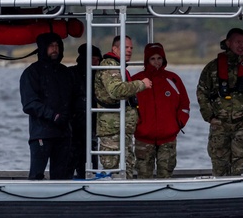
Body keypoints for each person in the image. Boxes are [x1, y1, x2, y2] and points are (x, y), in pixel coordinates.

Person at [196, 27, 243, 176]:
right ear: (228, 43)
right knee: (219, 169)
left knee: (242, 171)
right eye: (238, 42)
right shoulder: (212, 68)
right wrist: (211, 118)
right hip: (219, 126)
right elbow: (202, 93)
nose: (241, 45)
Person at [19, 32, 76, 180]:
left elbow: (73, 99)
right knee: (37, 175)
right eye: (51, 46)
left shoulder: (66, 73)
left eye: (57, 46)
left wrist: (68, 119)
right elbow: (29, 104)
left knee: (62, 176)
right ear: (43, 48)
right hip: (41, 134)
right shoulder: (31, 73)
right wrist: (53, 115)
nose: (55, 49)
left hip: (64, 134)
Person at [94, 35, 151, 178]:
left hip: (121, 129)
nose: (130, 50)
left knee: (127, 166)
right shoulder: (109, 65)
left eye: (131, 48)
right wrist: (141, 84)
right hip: (112, 130)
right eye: (126, 47)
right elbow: (116, 91)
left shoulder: (119, 67)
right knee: (114, 170)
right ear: (115, 49)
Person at [132, 43, 191, 178]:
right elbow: (128, 106)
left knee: (165, 176)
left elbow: (185, 104)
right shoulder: (137, 80)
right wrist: (137, 125)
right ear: (147, 60)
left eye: (159, 58)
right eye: (152, 59)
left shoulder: (173, 79)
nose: (156, 62)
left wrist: (178, 123)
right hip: (143, 138)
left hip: (168, 138)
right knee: (143, 176)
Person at [68, 43, 102, 179]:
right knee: (69, 163)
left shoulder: (100, 77)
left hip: (91, 128)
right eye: (93, 59)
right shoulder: (70, 74)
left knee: (90, 165)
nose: (96, 62)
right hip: (72, 128)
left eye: (98, 59)